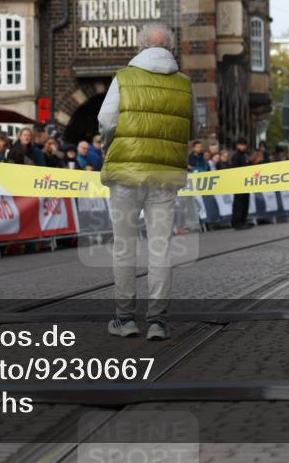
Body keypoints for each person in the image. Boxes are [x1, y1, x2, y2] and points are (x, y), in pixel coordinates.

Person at [99, 23, 192, 342]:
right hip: (166, 176)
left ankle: (125, 319)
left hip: (126, 172)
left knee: (124, 246)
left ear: (139, 48)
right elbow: (191, 127)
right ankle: (158, 322)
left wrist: (108, 147)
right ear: (170, 48)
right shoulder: (184, 83)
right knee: (160, 248)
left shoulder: (124, 77)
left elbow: (106, 120)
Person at [230, 137, 250, 229]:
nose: (244, 147)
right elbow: (234, 170)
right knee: (239, 203)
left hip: (246, 182)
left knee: (245, 202)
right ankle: (237, 222)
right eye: (242, 145)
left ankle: (243, 220)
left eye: (245, 145)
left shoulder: (245, 155)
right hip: (239, 183)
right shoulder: (236, 156)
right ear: (238, 145)